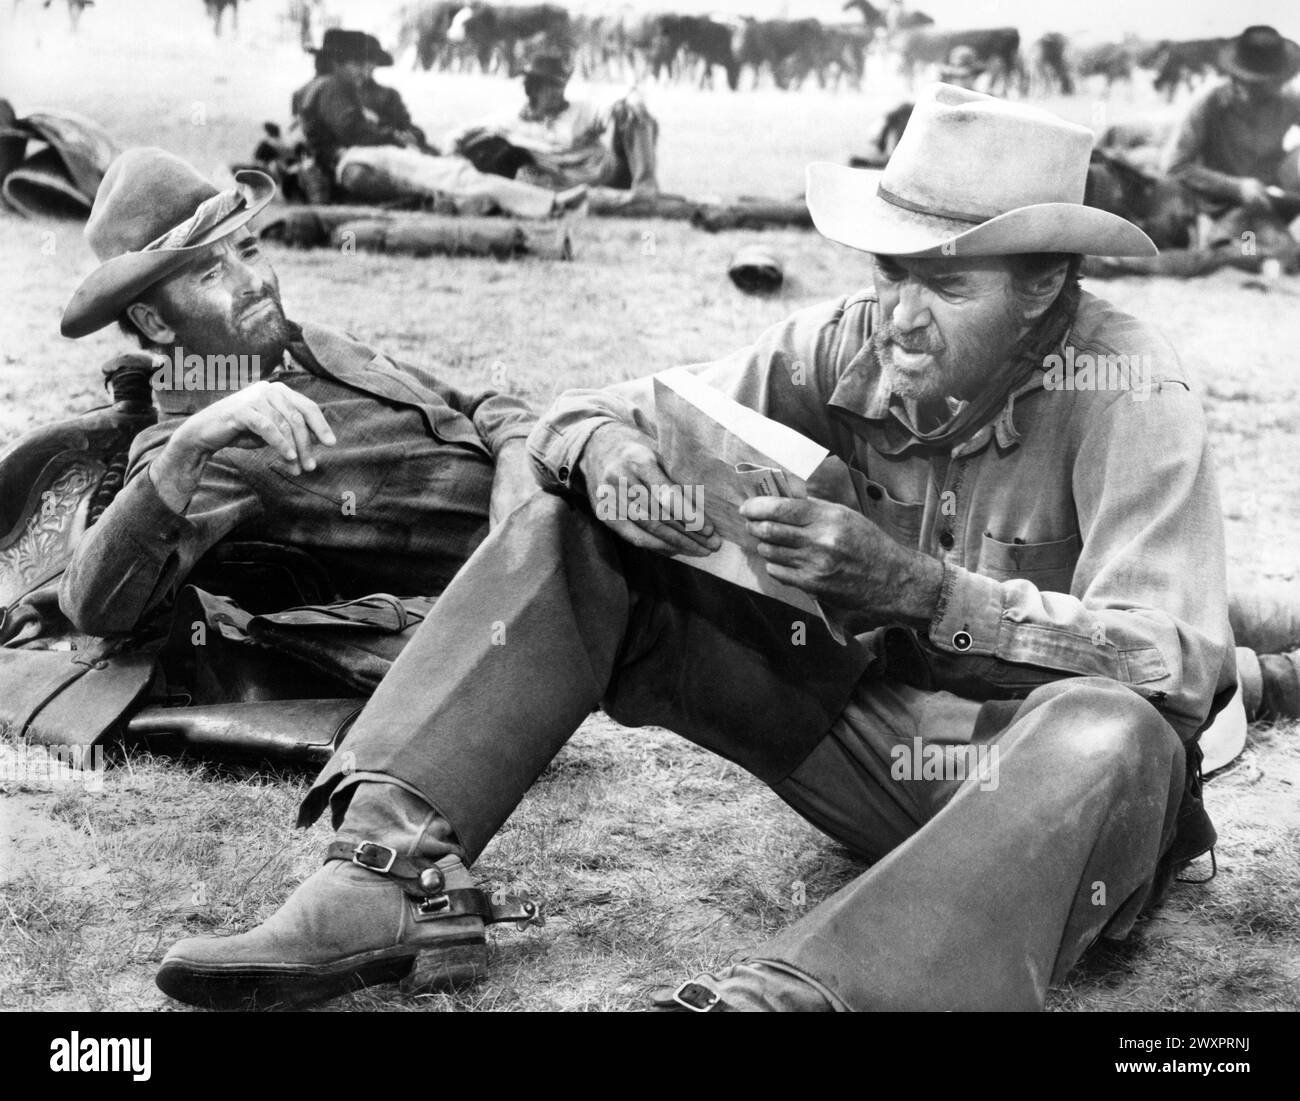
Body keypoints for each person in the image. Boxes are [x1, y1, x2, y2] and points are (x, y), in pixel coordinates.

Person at [155, 85, 1238, 1012]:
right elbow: (579, 411)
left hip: (1062, 812)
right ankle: (382, 877)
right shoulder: (847, 341)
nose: (899, 317)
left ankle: (804, 998)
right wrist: (611, 455)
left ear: (1045, 288)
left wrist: (918, 588)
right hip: (882, 759)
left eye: (946, 288)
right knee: (576, 519)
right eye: (888, 270)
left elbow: (1181, 667)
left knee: (1114, 727)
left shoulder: (1130, 389)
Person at [56, 147, 540, 639]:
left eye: (247, 251)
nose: (254, 282)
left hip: (548, 497)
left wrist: (519, 471)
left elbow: (476, 405)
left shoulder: (309, 342)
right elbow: (91, 606)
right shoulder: (207, 451)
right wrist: (190, 445)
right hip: (539, 586)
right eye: (210, 273)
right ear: (155, 321)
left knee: (596, 417)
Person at [294, 29, 584, 216]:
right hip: (359, 156)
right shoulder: (332, 87)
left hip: (354, 157)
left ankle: (536, 202)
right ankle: (547, 203)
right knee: (455, 175)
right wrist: (395, 137)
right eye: (356, 63)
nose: (363, 71)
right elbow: (353, 129)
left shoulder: (315, 88)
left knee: (453, 175)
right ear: (337, 63)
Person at [1163, 25, 1300, 266]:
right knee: (1245, 253)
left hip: (1267, 206)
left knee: (1284, 253)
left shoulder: (1289, 102)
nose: (1269, 89)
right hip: (1220, 206)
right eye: (1256, 83)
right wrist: (1236, 187)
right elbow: (1175, 166)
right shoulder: (1209, 103)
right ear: (1237, 76)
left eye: (1274, 82)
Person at [448, 52, 660, 201]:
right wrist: (453, 158)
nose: (558, 92)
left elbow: (616, 102)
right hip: (566, 185)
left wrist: (632, 102)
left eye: (561, 86)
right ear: (533, 90)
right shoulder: (509, 120)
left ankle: (645, 189)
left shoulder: (581, 110)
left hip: (611, 175)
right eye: (550, 87)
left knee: (634, 115)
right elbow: (459, 135)